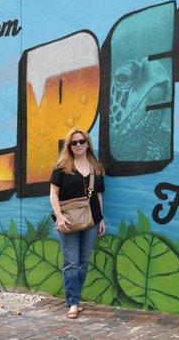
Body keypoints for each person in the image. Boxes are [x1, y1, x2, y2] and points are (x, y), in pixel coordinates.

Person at [49, 128, 106, 319]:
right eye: (74, 142)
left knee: (83, 262)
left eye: (82, 141)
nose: (79, 145)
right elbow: (53, 194)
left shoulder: (95, 167)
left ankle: (76, 297)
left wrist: (101, 219)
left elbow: (98, 195)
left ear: (88, 143)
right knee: (71, 263)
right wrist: (59, 216)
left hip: (91, 221)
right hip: (68, 221)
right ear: (69, 146)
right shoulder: (62, 167)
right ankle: (73, 303)